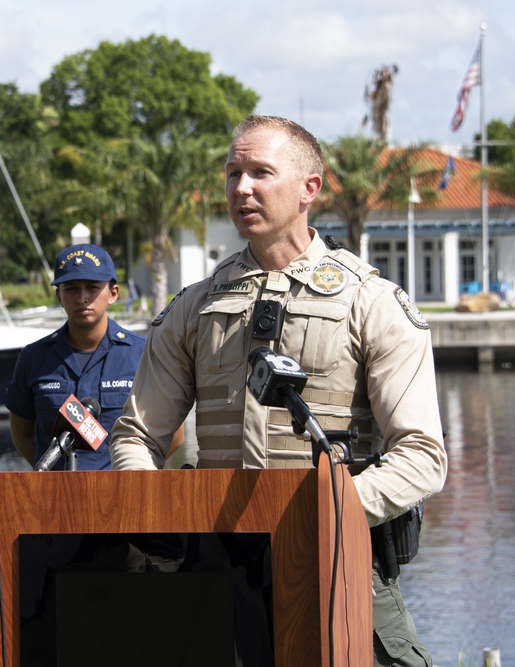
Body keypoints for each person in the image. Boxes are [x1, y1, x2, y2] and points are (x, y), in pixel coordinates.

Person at [110, 115, 447, 667]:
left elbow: (422, 457)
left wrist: (330, 511)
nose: (241, 188)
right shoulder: (193, 308)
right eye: (233, 173)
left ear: (308, 189)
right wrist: (158, 516)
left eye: (260, 172)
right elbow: (137, 435)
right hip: (216, 572)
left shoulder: (372, 301)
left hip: (335, 560)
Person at [6, 243, 161, 470]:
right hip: (55, 498)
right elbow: (22, 436)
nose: (82, 298)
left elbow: (171, 436)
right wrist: (55, 478)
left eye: (92, 287)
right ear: (58, 296)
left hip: (120, 497)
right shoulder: (34, 358)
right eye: (71, 288)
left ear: (113, 293)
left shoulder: (141, 354)